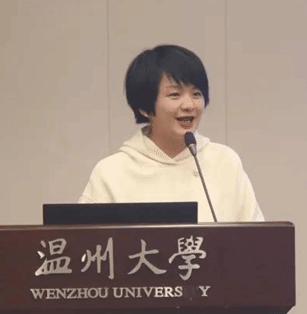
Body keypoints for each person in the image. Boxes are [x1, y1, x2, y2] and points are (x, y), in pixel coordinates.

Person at [78, 44, 264, 222]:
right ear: (144, 107)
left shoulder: (225, 162)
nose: (189, 105)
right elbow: (84, 241)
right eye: (175, 94)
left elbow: (256, 237)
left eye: (196, 94)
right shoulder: (112, 171)